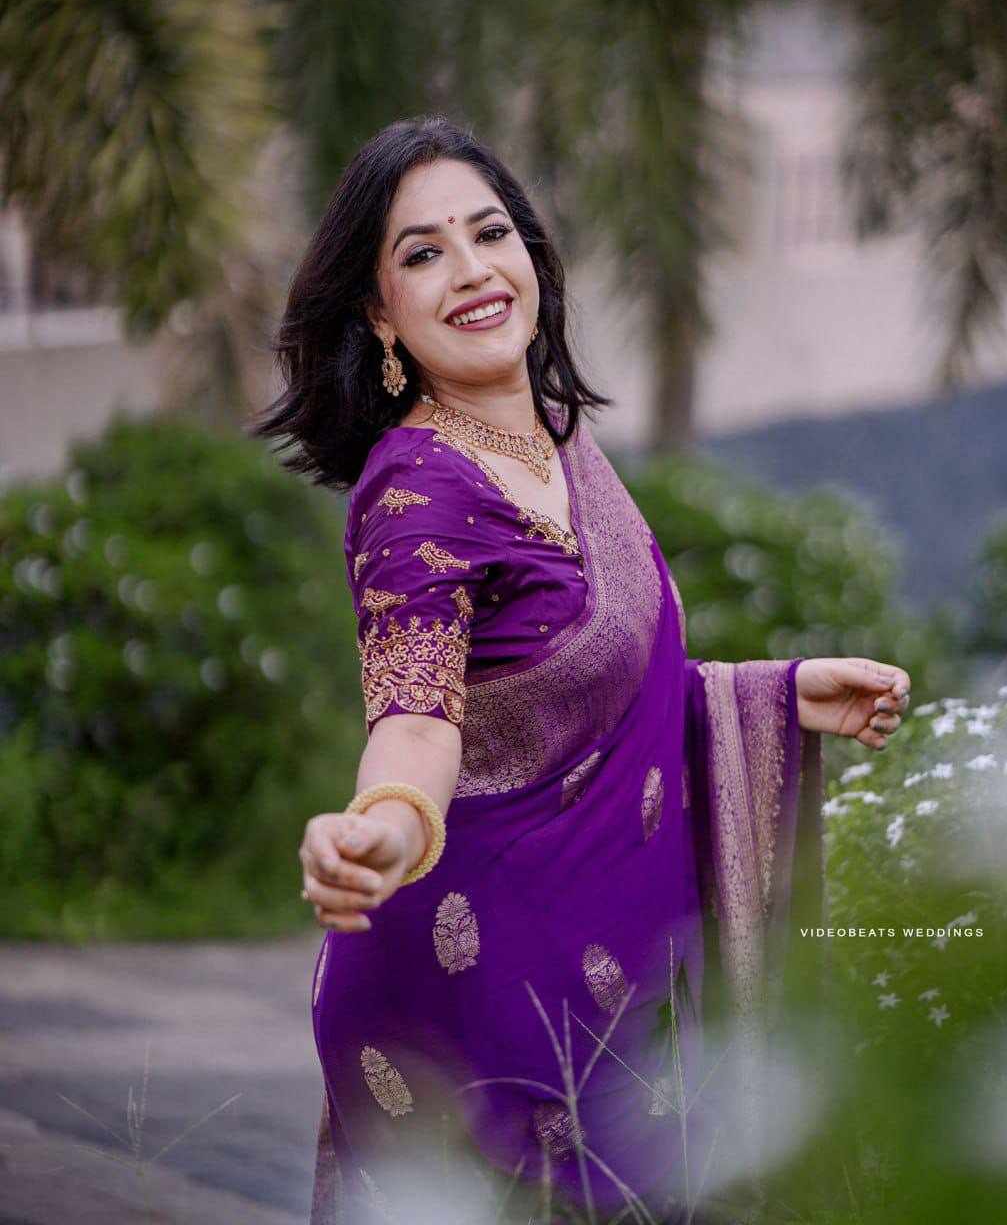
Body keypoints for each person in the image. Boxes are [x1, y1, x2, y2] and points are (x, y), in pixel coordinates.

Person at [252, 115, 912, 1225]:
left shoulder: (552, 436)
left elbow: (593, 694)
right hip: (482, 1008)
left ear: (531, 252)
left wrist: (775, 691)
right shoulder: (416, 495)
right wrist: (382, 826)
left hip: (617, 989)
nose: (472, 271)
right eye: (423, 253)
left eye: (489, 233)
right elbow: (415, 719)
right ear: (379, 314)